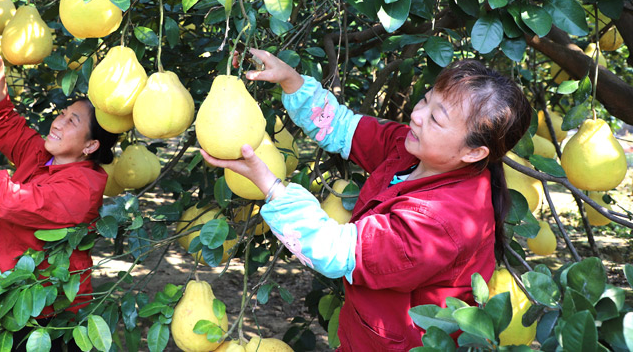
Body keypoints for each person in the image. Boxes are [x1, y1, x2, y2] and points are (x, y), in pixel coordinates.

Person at [202, 48, 532, 351]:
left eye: (436, 119)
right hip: (368, 334)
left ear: (474, 151)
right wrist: (291, 81)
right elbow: (344, 128)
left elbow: (337, 251)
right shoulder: (413, 150)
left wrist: (270, 185)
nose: (417, 115)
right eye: (426, 100)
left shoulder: (441, 222)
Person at [0, 43, 119, 351]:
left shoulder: (82, 189)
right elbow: (3, 120)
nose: (58, 122)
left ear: (91, 146)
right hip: (15, 293)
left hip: (51, 310)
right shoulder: (43, 154)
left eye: (73, 122)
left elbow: (13, 199)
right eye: (63, 113)